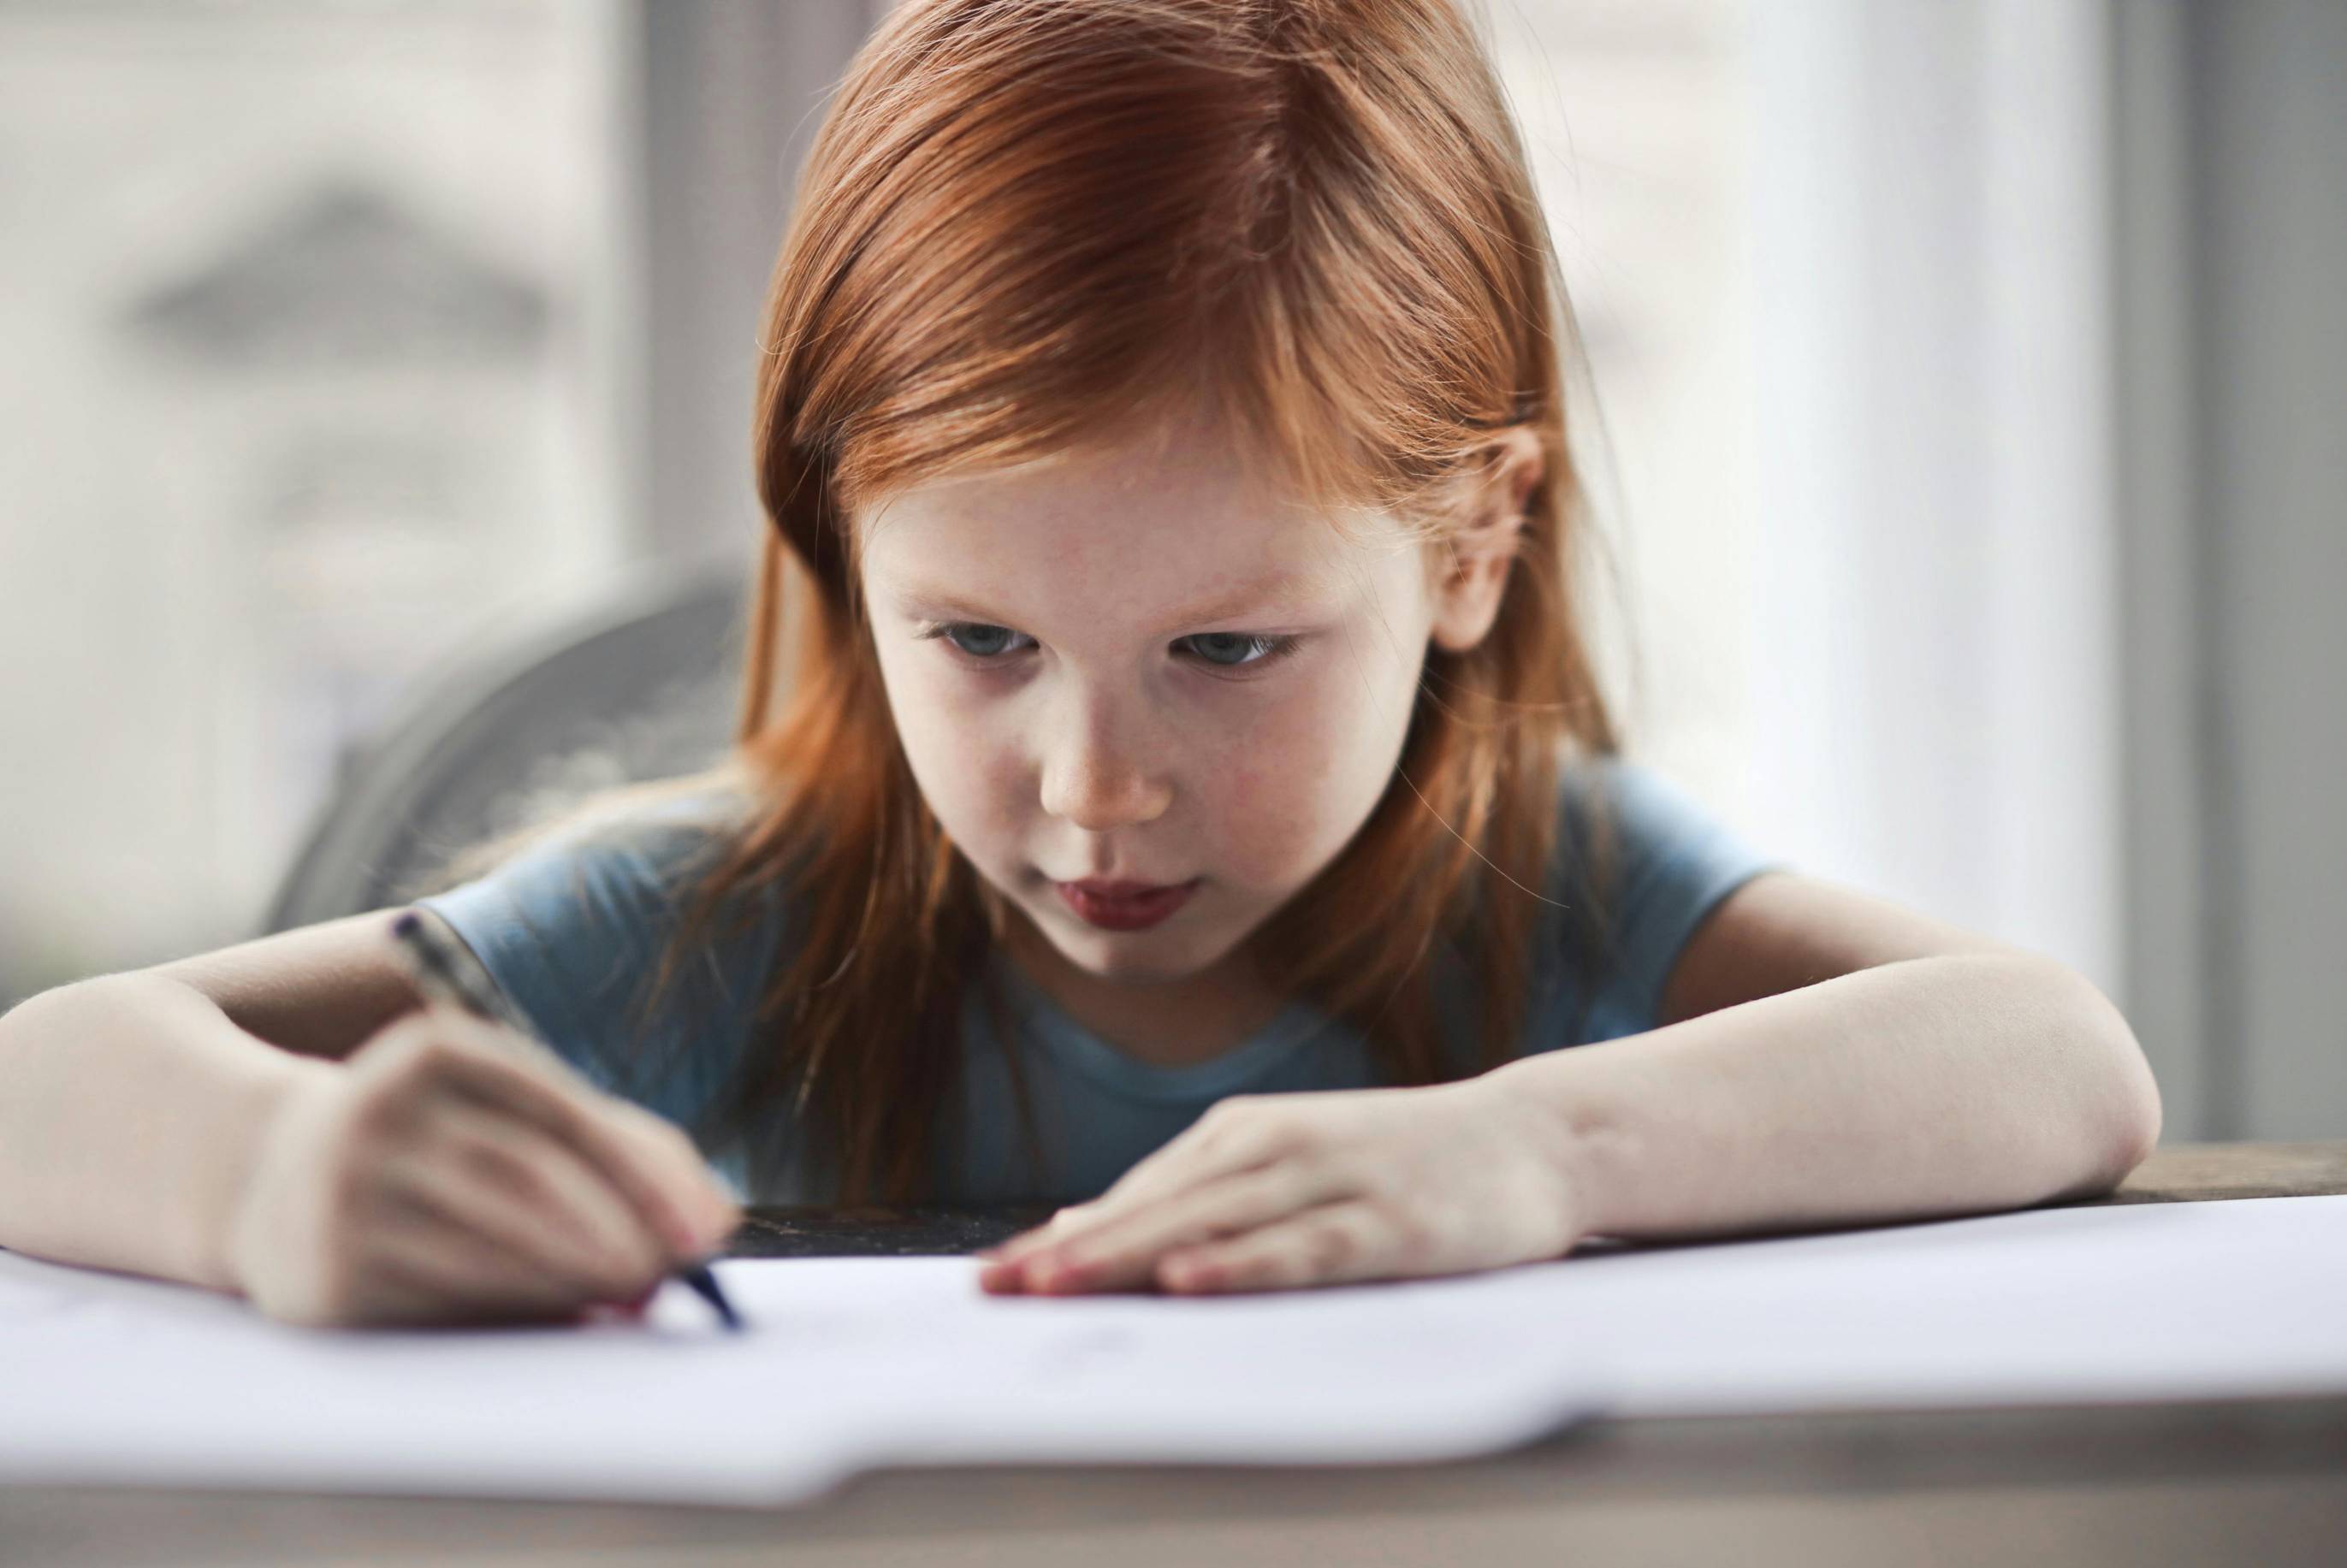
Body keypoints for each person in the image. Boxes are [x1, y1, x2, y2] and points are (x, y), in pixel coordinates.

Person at [0, 0, 2161, 1328]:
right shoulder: (712, 921)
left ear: (1473, 543)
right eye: (979, 639)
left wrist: (1543, 1152)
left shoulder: (1550, 890)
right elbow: (45, 1072)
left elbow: (2057, 1059)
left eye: (1226, 643)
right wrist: (268, 1176)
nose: (1092, 782)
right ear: (845, 558)